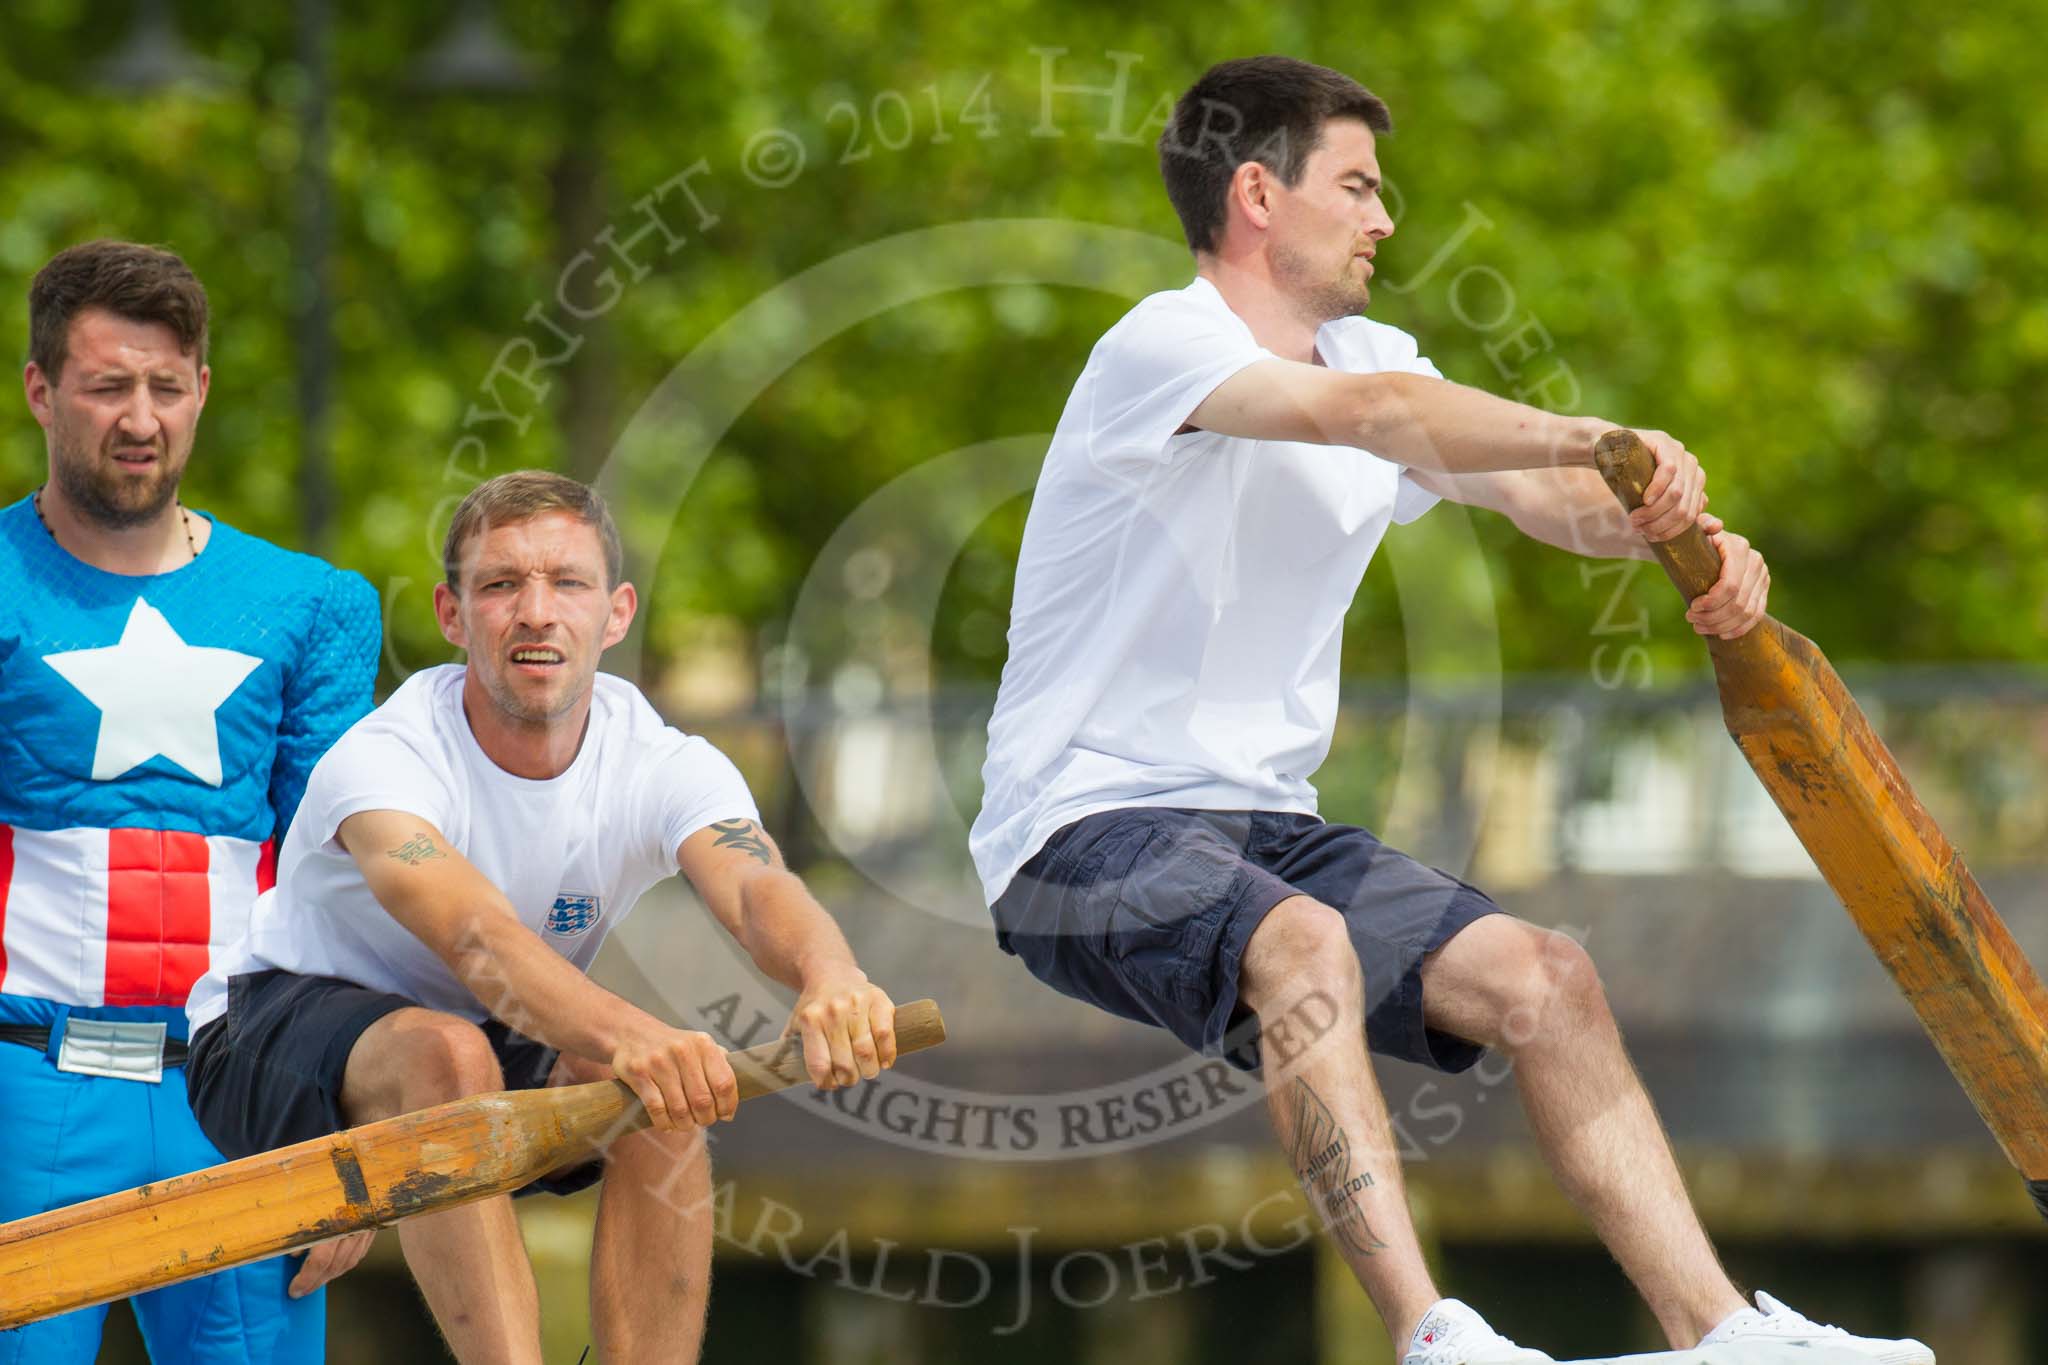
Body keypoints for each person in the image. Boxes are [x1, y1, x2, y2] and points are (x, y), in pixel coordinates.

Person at [970, 57, 1932, 1365]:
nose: (1384, 218)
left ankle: (1726, 1337)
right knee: (1302, 944)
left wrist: (1678, 532)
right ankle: (1432, 1338)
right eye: (1358, 187)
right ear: (1258, 193)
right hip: (1078, 828)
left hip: (1260, 823)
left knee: (1548, 978)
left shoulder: (1378, 351)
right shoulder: (1163, 344)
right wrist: (1592, 429)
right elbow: (1372, 418)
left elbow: (1545, 502)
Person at [185, 470, 902, 1364]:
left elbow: (758, 886)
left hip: (483, 1029)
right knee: (456, 1054)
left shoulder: (661, 760)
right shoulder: (386, 758)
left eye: (567, 582)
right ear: (452, 614)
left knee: (662, 1100)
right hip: (264, 1028)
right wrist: (639, 1032)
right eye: (500, 585)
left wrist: (830, 975)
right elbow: (475, 938)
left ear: (616, 612)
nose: (536, 611)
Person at [0, 240, 379, 1362]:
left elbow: (342, 879)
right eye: (107, 385)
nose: (139, 417)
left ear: (202, 391)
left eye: (166, 387)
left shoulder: (312, 606)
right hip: (28, 1088)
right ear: (40, 390)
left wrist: (349, 1117)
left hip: (245, 1094)